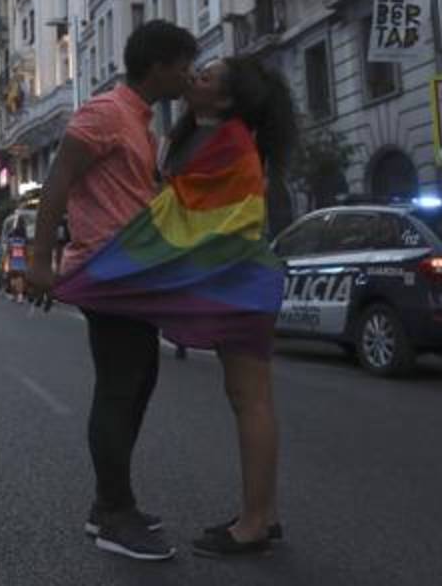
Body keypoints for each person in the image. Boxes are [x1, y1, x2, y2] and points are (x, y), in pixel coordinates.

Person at [26, 20, 199, 562]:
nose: (188, 76)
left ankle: (111, 504)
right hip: (108, 269)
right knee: (121, 386)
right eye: (183, 66)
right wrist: (38, 260)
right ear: (159, 65)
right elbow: (57, 182)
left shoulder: (142, 124)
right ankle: (114, 513)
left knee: (139, 380)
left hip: (137, 272)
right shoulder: (104, 112)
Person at [160, 57, 294, 556]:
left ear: (226, 98)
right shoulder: (203, 134)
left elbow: (188, 211)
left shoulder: (231, 142)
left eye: (207, 76)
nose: (194, 75)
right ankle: (264, 513)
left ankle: (255, 523)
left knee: (250, 398)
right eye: (196, 70)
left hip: (242, 282)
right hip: (235, 282)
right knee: (248, 398)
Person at [4, 221, 29, 304]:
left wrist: (7, 262)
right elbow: (26, 253)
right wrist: (26, 262)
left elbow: (8, 252)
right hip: (21, 263)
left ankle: (14, 294)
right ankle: (20, 296)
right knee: (20, 279)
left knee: (13, 279)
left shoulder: (11, 241)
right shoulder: (23, 241)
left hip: (12, 262)